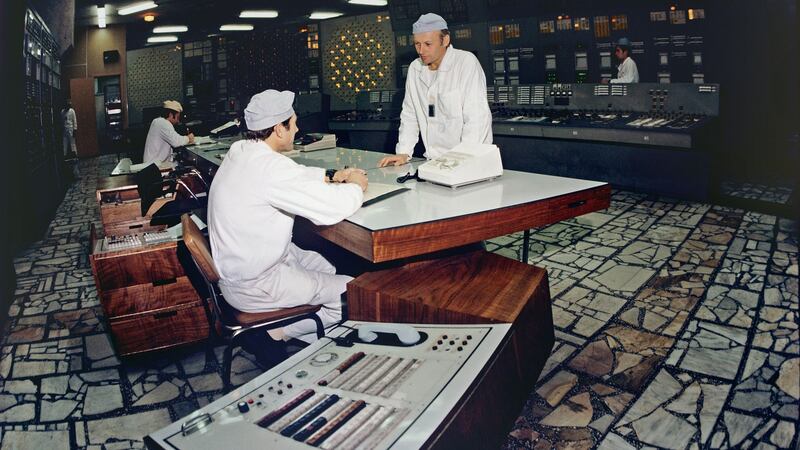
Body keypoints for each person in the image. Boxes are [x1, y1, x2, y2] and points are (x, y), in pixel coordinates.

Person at [208, 89, 368, 346]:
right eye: (293, 123)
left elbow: (292, 174)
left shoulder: (241, 150)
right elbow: (331, 208)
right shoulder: (269, 168)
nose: (297, 129)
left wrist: (331, 175)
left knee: (325, 266)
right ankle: (279, 333)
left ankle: (314, 325)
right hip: (257, 284)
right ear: (279, 130)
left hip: (244, 271)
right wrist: (356, 186)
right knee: (352, 293)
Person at [378, 13, 492, 167]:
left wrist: (463, 161)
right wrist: (403, 152)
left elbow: (476, 120)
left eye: (428, 44)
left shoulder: (465, 63)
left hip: (469, 160)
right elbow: (410, 115)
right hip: (434, 161)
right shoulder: (415, 68)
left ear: (445, 40)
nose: (421, 50)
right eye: (417, 44)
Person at [142, 100, 195, 165]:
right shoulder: (163, 123)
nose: (178, 121)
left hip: (155, 164)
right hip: (154, 166)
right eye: (177, 118)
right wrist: (188, 138)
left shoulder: (158, 121)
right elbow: (176, 142)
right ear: (170, 115)